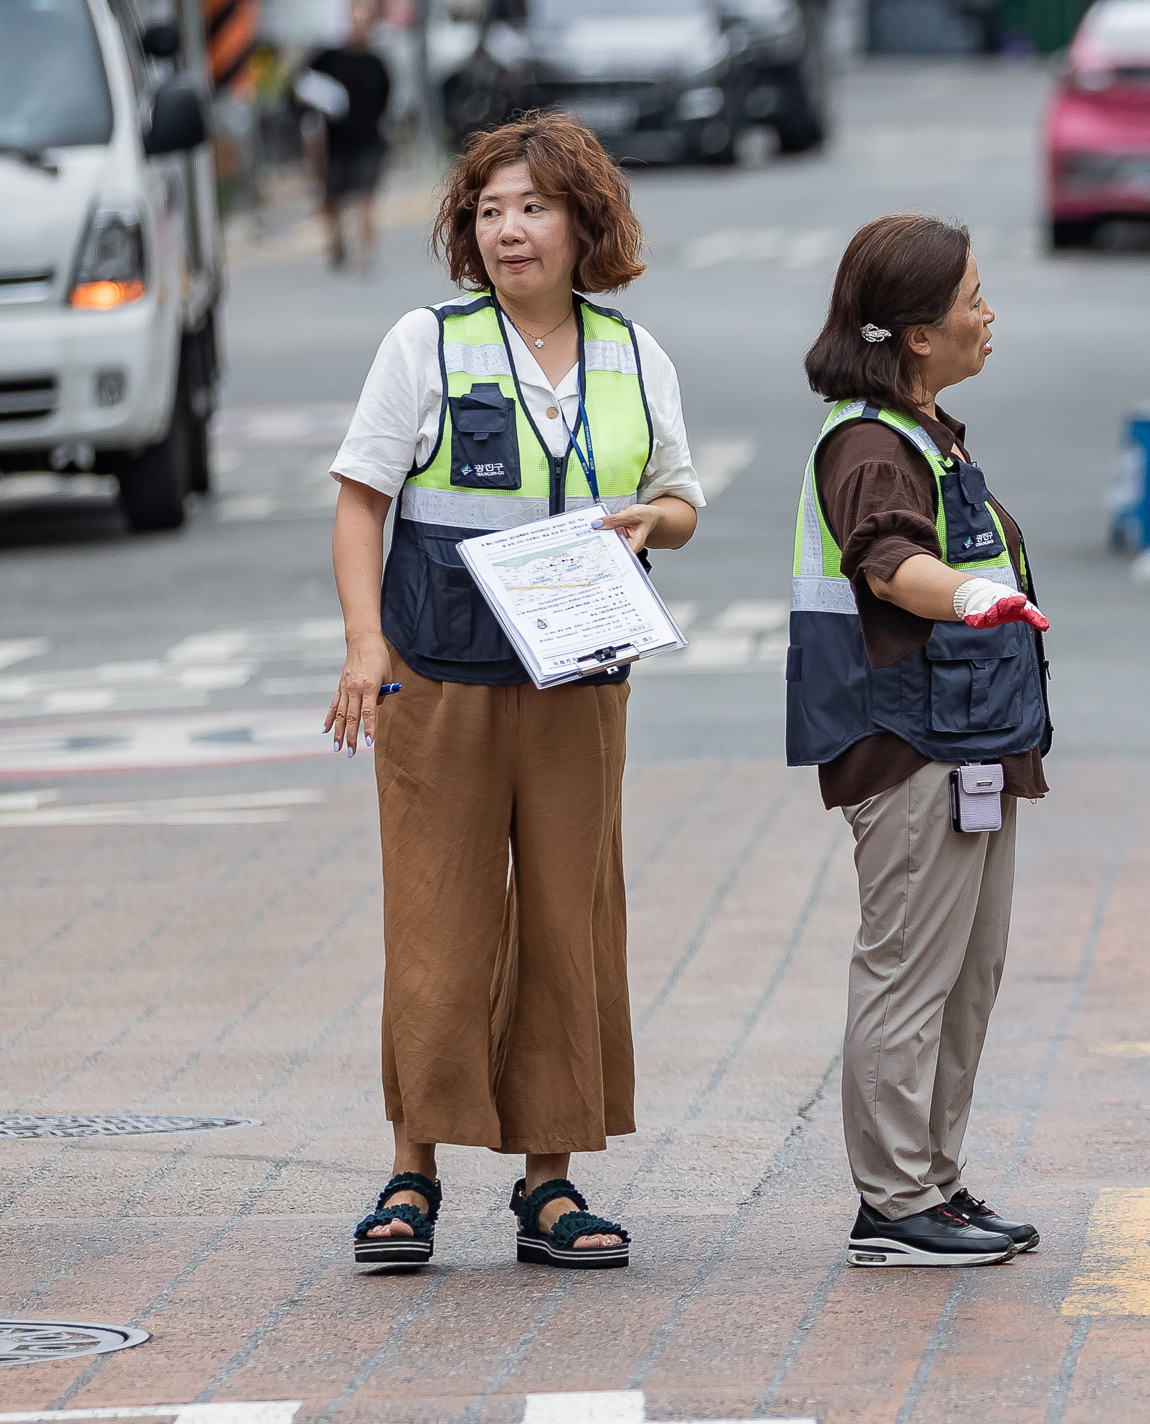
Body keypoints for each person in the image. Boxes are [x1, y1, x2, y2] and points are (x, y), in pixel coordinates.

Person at [325, 112, 703, 1270]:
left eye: (532, 206)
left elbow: (680, 497)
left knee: (569, 922)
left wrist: (657, 520)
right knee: (435, 922)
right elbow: (360, 497)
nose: (508, 229)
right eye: (488, 210)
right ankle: (411, 1170)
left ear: (586, 221)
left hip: (579, 683)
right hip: (439, 677)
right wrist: (363, 643)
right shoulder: (425, 344)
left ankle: (551, 1183)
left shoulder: (636, 357)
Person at [788, 215, 1053, 1269]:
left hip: (969, 736)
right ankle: (894, 1198)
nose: (988, 315)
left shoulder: (930, 429)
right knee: (910, 971)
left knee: (967, 972)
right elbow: (887, 562)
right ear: (914, 333)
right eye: (972, 299)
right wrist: (974, 594)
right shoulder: (868, 443)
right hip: (908, 742)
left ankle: (934, 1184)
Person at [298, 0, 393, 277]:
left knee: (366, 197)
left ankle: (366, 255)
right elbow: (303, 87)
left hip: (368, 141)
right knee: (333, 199)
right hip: (333, 143)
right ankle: (337, 245)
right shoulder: (327, 58)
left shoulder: (377, 63)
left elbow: (385, 102)